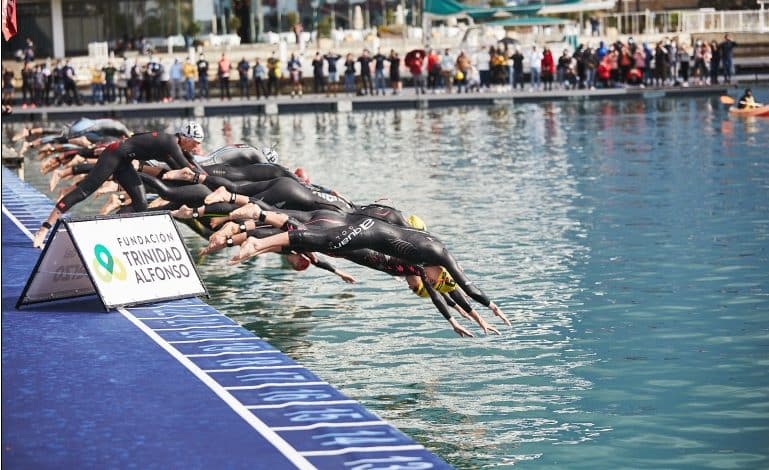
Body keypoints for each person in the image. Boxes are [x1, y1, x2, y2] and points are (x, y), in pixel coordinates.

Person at [33, 121, 206, 248]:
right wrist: (211, 182)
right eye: (196, 142)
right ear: (185, 138)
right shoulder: (170, 143)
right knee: (83, 192)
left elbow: (187, 166)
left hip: (125, 161)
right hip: (113, 155)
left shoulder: (173, 145)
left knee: (141, 204)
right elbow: (186, 167)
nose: (197, 147)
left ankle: (115, 235)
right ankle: (44, 229)